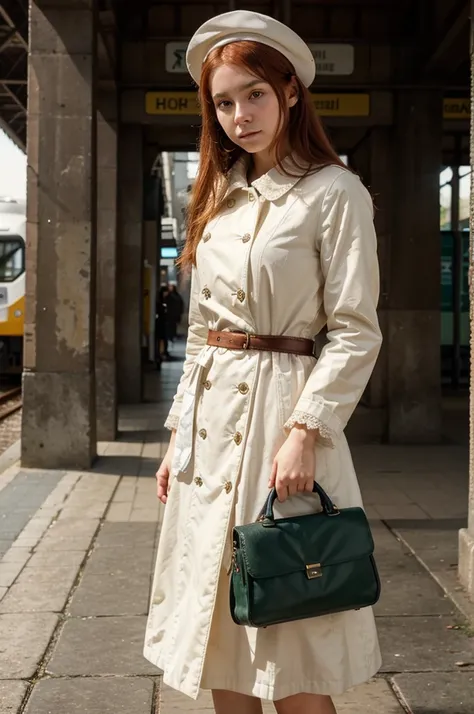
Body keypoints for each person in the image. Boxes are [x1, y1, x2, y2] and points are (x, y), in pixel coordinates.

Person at [144, 10, 383, 714]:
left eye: (253, 94)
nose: (238, 115)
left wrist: (308, 428)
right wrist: (174, 435)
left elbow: (355, 329)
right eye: (223, 102)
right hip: (209, 429)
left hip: (282, 422)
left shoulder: (335, 192)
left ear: (290, 94)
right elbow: (204, 328)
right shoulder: (216, 195)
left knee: (289, 636)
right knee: (217, 641)